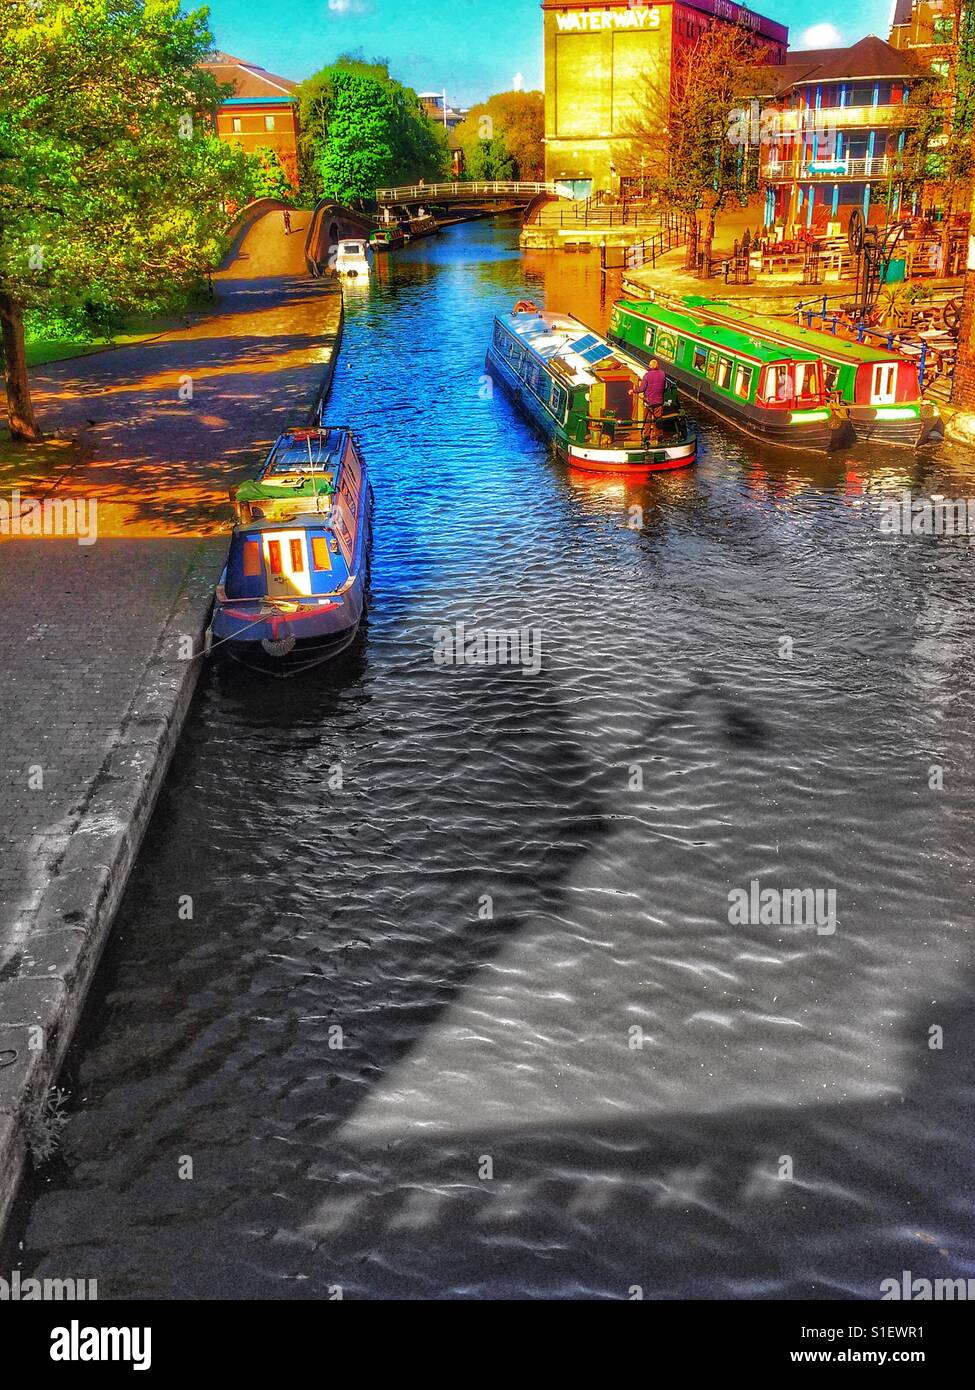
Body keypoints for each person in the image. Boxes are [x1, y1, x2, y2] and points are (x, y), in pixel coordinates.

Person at [632, 357, 668, 442]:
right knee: (658, 419)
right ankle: (658, 436)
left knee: (647, 420)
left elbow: (642, 388)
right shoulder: (663, 374)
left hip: (649, 402)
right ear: (657, 366)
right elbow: (665, 387)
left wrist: (633, 390)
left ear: (650, 366)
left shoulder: (647, 375)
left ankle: (646, 436)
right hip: (659, 401)